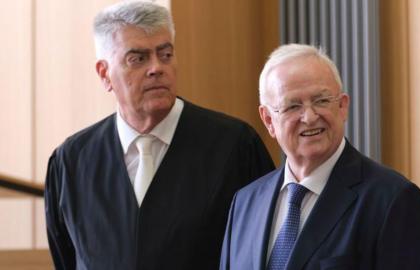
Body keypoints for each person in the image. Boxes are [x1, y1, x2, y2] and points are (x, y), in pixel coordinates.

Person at [44, 1, 274, 269]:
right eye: (138, 58)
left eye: (165, 54)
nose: (157, 68)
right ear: (105, 74)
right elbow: (67, 260)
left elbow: (264, 250)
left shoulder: (235, 146)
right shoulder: (72, 162)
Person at [220, 44, 420, 270]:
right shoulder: (245, 203)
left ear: (343, 106)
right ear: (268, 120)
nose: (310, 116)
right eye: (293, 106)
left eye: (321, 101)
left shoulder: (393, 201)